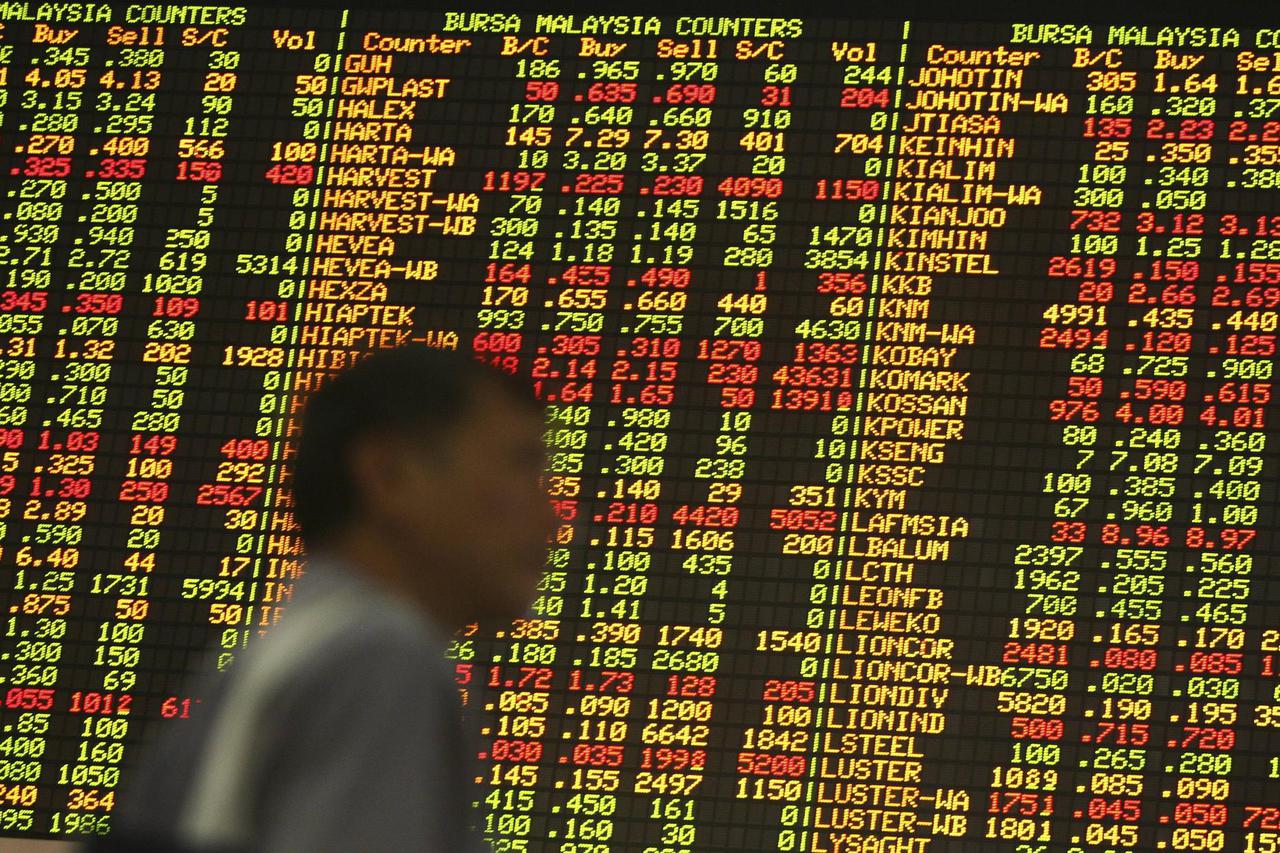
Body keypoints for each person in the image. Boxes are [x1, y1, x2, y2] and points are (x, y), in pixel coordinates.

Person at [90, 345, 554, 852]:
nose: (551, 517)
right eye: (521, 466)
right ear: (389, 474)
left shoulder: (279, 654)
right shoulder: (380, 659)